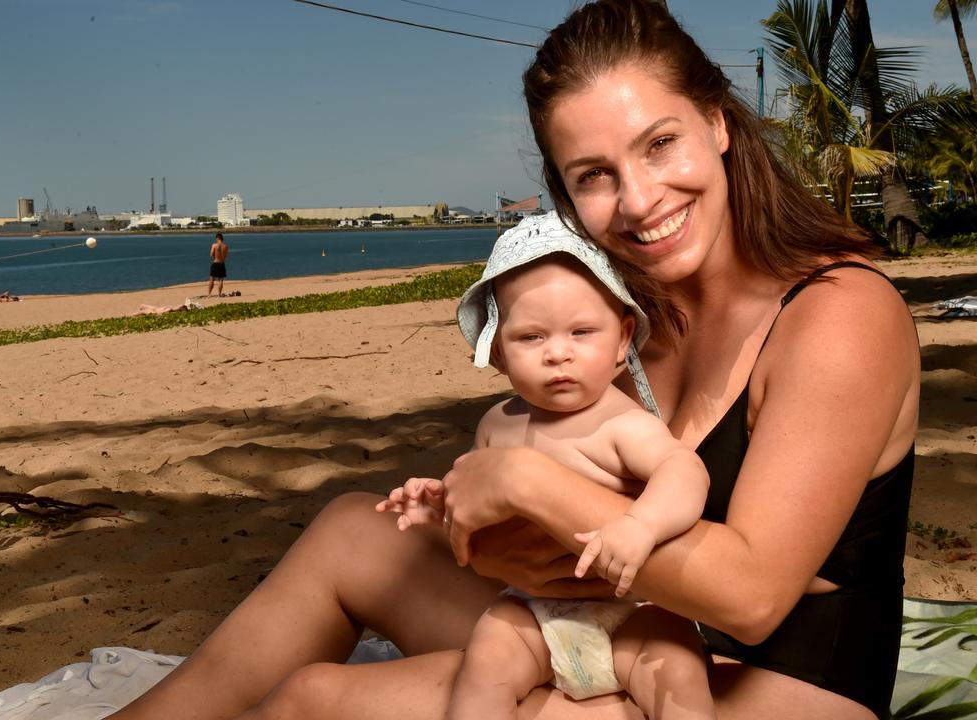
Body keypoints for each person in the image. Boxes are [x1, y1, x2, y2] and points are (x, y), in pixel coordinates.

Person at [110, 1, 918, 718]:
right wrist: (482, 523)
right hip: (625, 623)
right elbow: (553, 513)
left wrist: (527, 485)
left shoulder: (840, 316)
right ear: (566, 197)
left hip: (771, 680)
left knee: (315, 700)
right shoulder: (634, 317)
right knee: (353, 531)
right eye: (595, 176)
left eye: (659, 144)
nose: (638, 200)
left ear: (718, 124)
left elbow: (750, 595)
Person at [376, 223, 714, 719]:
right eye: (531, 337)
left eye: (582, 332)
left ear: (622, 339)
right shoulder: (497, 424)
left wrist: (643, 524)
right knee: (486, 659)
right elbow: (476, 506)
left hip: (633, 614)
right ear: (499, 354)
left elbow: (685, 471)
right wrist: (438, 503)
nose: (558, 352)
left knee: (678, 668)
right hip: (533, 614)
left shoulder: (621, 423)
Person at [208, 232, 229, 297]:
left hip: (215, 263)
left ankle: (209, 294)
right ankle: (219, 294)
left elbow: (211, 254)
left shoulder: (214, 245)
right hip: (221, 264)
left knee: (211, 279)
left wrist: (215, 255)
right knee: (220, 280)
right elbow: (225, 256)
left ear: (217, 238)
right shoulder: (225, 246)